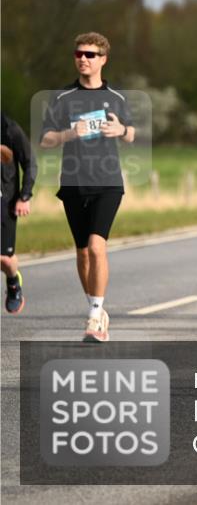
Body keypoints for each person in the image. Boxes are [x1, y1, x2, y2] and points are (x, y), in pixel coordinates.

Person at [40, 32, 136, 341]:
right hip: (73, 183)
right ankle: (98, 308)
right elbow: (46, 139)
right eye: (78, 54)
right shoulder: (62, 98)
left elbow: (131, 133)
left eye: (90, 54)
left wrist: (121, 130)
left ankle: (94, 316)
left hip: (108, 183)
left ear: (103, 59)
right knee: (82, 253)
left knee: (96, 246)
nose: (83, 59)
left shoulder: (117, 97)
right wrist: (69, 134)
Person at [1, 113, 37, 314]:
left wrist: (24, 196)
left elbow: (30, 162)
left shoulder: (9, 129)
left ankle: (13, 281)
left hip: (4, 201)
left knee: (5, 259)